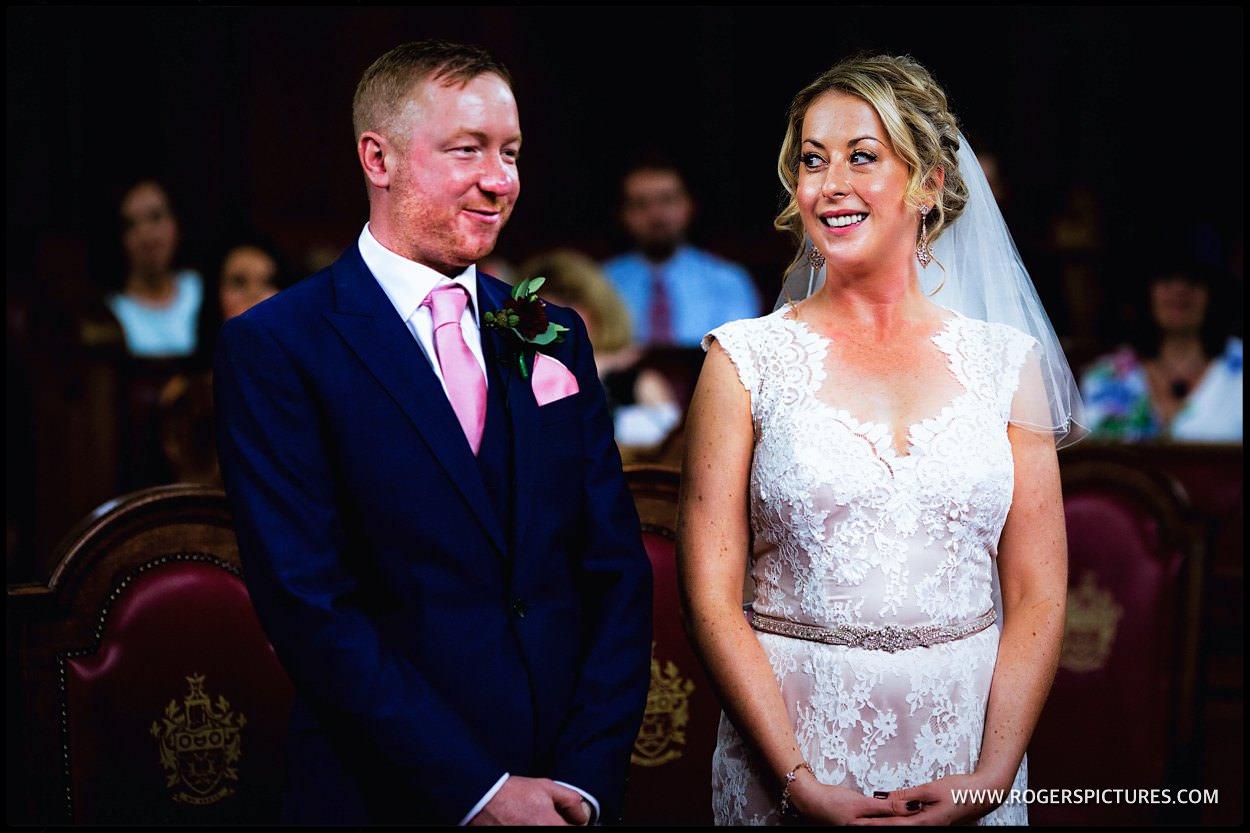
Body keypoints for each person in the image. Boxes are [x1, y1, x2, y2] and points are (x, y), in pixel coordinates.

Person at [213, 40, 652, 825]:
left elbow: (616, 569)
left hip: (567, 792)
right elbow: (310, 607)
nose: (501, 178)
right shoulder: (278, 347)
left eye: (511, 151)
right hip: (383, 795)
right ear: (377, 158)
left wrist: (586, 776)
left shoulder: (553, 332)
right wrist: (478, 791)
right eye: (468, 150)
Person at [678, 54, 1083, 825]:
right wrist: (796, 779)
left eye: (862, 157)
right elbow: (709, 600)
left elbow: (1037, 591)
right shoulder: (743, 360)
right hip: (793, 759)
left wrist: (992, 775)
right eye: (811, 159)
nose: (829, 185)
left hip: (964, 746)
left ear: (929, 183)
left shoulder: (1006, 363)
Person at [158, 231, 295, 484]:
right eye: (238, 282)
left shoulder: (307, 385)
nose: (256, 295)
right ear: (214, 296)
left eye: (268, 281)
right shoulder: (186, 394)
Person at [519, 248, 681, 447]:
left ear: (599, 311)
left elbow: (674, 451)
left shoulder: (641, 384)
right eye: (541, 308)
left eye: (568, 304)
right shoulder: (514, 378)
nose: (554, 321)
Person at [1080, 257, 1242, 441]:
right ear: (1145, 293)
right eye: (1166, 279)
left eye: (1194, 280)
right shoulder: (1105, 376)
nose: (1180, 290)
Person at [602, 159, 761, 347]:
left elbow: (741, 356)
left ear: (689, 205)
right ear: (624, 215)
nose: (656, 214)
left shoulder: (728, 281)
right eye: (640, 204)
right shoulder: (601, 284)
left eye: (667, 200)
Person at [107, 180, 203, 358]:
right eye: (131, 224)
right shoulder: (111, 310)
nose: (146, 233)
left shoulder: (200, 291)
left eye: (156, 217)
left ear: (177, 223)